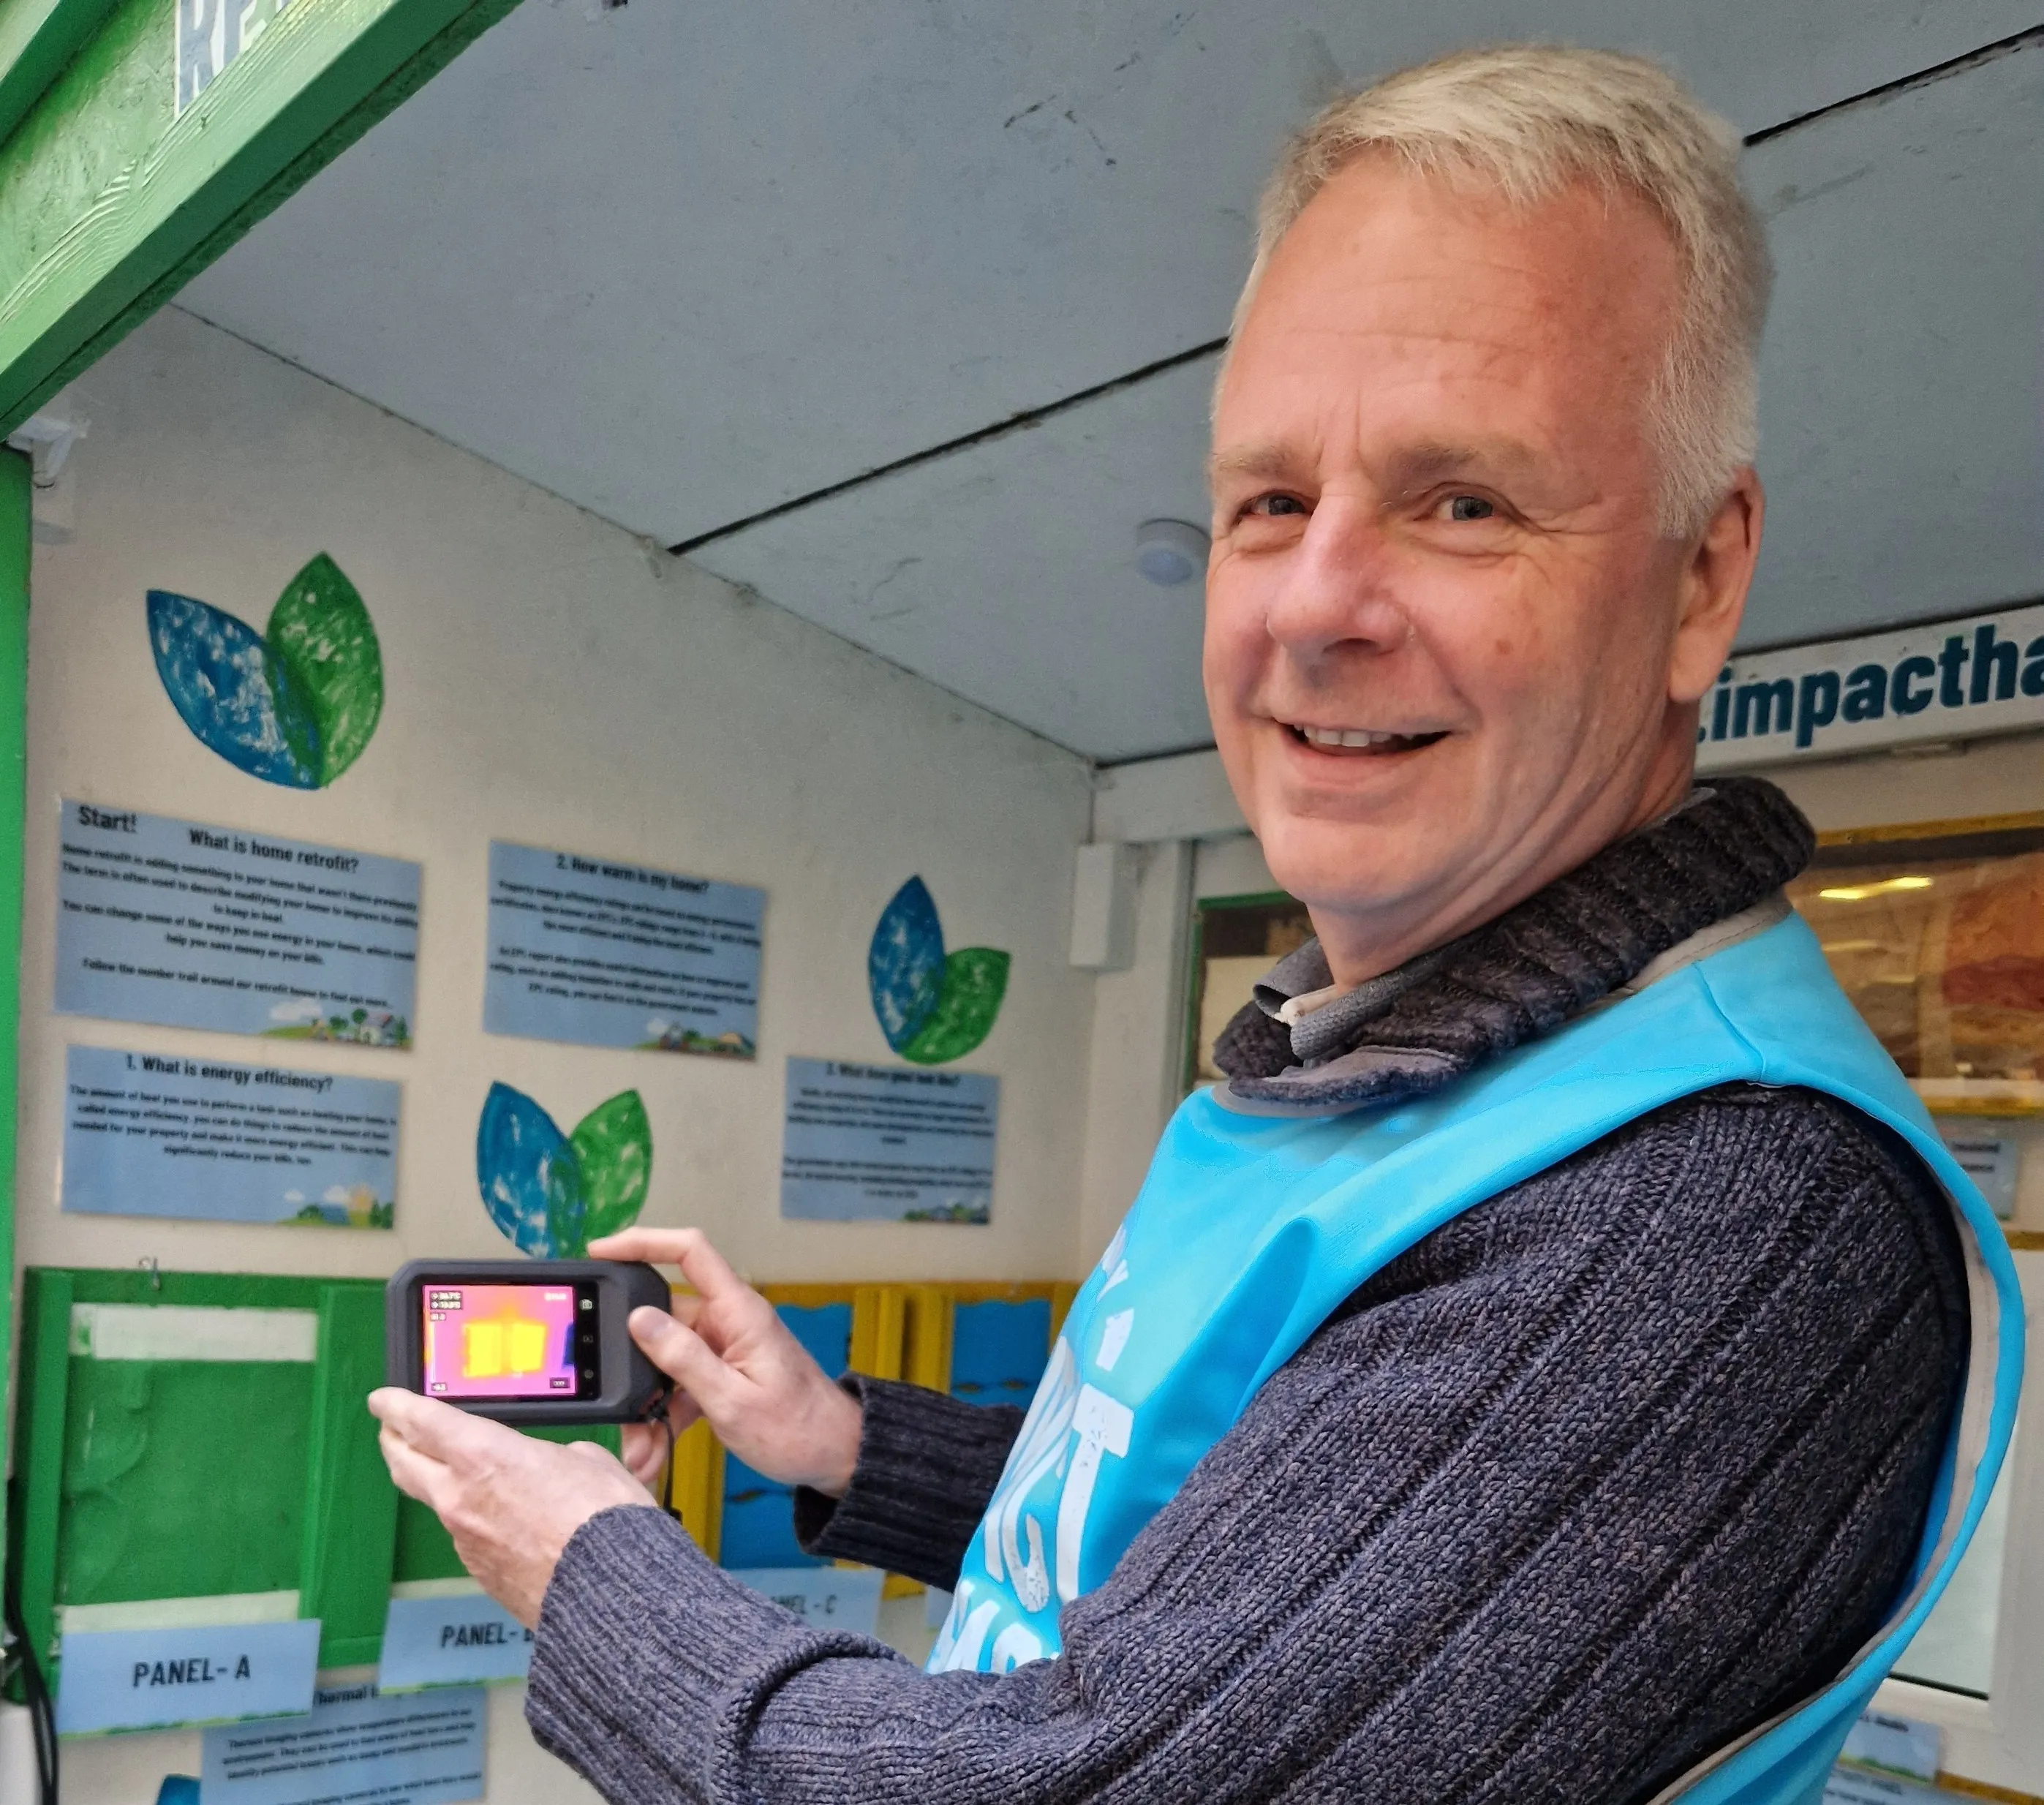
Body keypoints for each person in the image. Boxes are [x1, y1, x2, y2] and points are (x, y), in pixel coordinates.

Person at [372, 44, 2021, 1804]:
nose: (1315, 605)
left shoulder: (1716, 1217)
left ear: (1701, 576)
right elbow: (1236, 1562)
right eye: (1267, 503)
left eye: (1461, 500)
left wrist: (584, 1570)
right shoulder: (1366, 1058)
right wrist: (839, 1436)